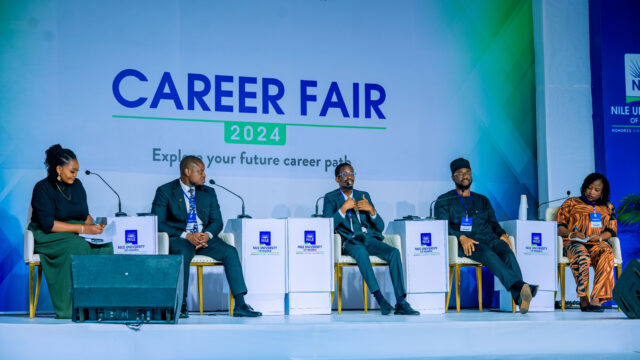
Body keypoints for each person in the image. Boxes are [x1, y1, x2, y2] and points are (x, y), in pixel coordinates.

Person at [151, 156, 261, 318]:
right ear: (187, 172)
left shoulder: (209, 192)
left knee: (230, 251)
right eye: (200, 172)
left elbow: (217, 221)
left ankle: (240, 303)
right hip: (179, 238)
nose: (204, 175)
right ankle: (180, 304)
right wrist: (187, 236)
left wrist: (206, 235)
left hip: (205, 238)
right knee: (184, 250)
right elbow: (158, 222)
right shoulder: (165, 191)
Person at [435, 158, 538, 313]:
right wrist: (460, 237)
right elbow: (442, 226)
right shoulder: (444, 200)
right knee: (488, 254)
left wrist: (502, 234)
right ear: (453, 178)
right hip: (465, 243)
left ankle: (520, 295)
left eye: (468, 172)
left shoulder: (482, 200)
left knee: (507, 252)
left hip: (489, 238)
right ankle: (521, 289)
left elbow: (493, 223)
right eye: (460, 173)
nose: (465, 175)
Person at [322, 162, 419, 315]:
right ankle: (381, 300)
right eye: (345, 174)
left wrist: (371, 210)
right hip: (349, 241)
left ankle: (401, 301)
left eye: (352, 174)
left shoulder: (363, 195)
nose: (349, 177)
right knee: (361, 252)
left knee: (393, 252)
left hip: (367, 237)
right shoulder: (330, 198)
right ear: (337, 179)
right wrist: (343, 209)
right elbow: (326, 226)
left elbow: (379, 226)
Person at [28, 144, 113, 319]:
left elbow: (84, 215)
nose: (75, 175)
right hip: (48, 234)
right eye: (72, 171)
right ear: (59, 169)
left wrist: (96, 227)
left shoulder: (78, 185)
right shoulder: (42, 188)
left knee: (105, 246)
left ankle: (97, 305)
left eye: (77, 171)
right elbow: (48, 224)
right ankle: (72, 307)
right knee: (78, 246)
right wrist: (83, 228)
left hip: (74, 230)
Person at [556, 173, 617, 312]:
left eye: (596, 190)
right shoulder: (571, 203)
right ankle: (583, 299)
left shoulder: (608, 207)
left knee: (607, 253)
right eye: (589, 188)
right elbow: (559, 227)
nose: (591, 192)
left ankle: (596, 299)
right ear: (584, 187)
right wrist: (571, 234)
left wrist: (600, 237)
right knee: (582, 256)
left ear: (603, 193)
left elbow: (612, 231)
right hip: (573, 242)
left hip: (596, 243)